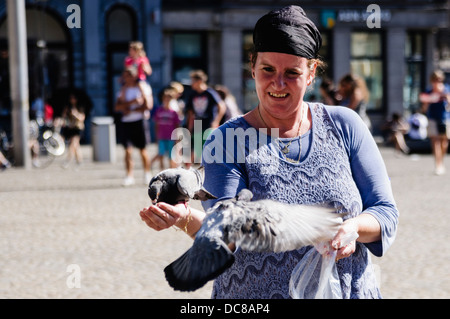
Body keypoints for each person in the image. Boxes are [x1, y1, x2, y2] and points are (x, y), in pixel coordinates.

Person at [140, 5, 398, 299]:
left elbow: (385, 212)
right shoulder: (227, 140)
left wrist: (354, 227)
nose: (278, 83)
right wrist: (184, 218)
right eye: (268, 70)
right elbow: (228, 230)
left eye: (292, 73)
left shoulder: (344, 125)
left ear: (311, 72)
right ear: (252, 67)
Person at [115, 68, 153, 186]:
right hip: (126, 122)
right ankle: (129, 175)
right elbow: (117, 107)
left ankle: (147, 173)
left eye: (129, 76)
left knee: (143, 149)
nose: (127, 79)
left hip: (139, 120)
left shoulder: (142, 87)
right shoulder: (123, 90)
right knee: (127, 150)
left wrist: (132, 108)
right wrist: (132, 103)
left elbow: (148, 105)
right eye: (125, 76)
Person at [184, 70, 226, 166]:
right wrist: (189, 127)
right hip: (197, 124)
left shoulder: (209, 93)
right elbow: (191, 113)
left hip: (209, 124)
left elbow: (222, 106)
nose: (191, 84)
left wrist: (216, 121)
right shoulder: (192, 94)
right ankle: (190, 171)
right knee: (196, 150)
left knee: (208, 149)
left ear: (199, 81)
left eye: (193, 81)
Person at [420, 70, 450, 175]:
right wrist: (428, 101)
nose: (437, 81)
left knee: (444, 142)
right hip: (432, 118)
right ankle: (438, 165)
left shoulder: (446, 89)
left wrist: (447, 98)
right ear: (432, 80)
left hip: (445, 118)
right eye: (435, 79)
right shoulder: (429, 91)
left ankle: (441, 161)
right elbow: (424, 109)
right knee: (435, 142)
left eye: (439, 79)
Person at [150, 88, 181, 169]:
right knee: (161, 155)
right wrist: (157, 137)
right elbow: (156, 125)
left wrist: (177, 138)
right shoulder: (159, 111)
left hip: (171, 137)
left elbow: (177, 125)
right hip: (161, 137)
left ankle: (171, 172)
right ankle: (161, 171)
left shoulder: (174, 113)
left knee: (171, 156)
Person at [124, 41, 153, 109]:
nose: (130, 52)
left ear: (136, 51)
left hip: (140, 79)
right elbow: (126, 71)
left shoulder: (143, 60)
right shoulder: (128, 60)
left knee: (144, 91)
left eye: (131, 50)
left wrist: (144, 67)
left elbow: (149, 72)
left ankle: (147, 105)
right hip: (130, 80)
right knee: (123, 89)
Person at [61, 93, 85, 168]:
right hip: (70, 128)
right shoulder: (68, 108)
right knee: (76, 146)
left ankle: (67, 160)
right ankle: (80, 161)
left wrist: (75, 114)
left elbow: (82, 118)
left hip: (78, 128)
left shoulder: (80, 107)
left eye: (73, 98)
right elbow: (64, 117)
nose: (72, 100)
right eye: (71, 98)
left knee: (73, 144)